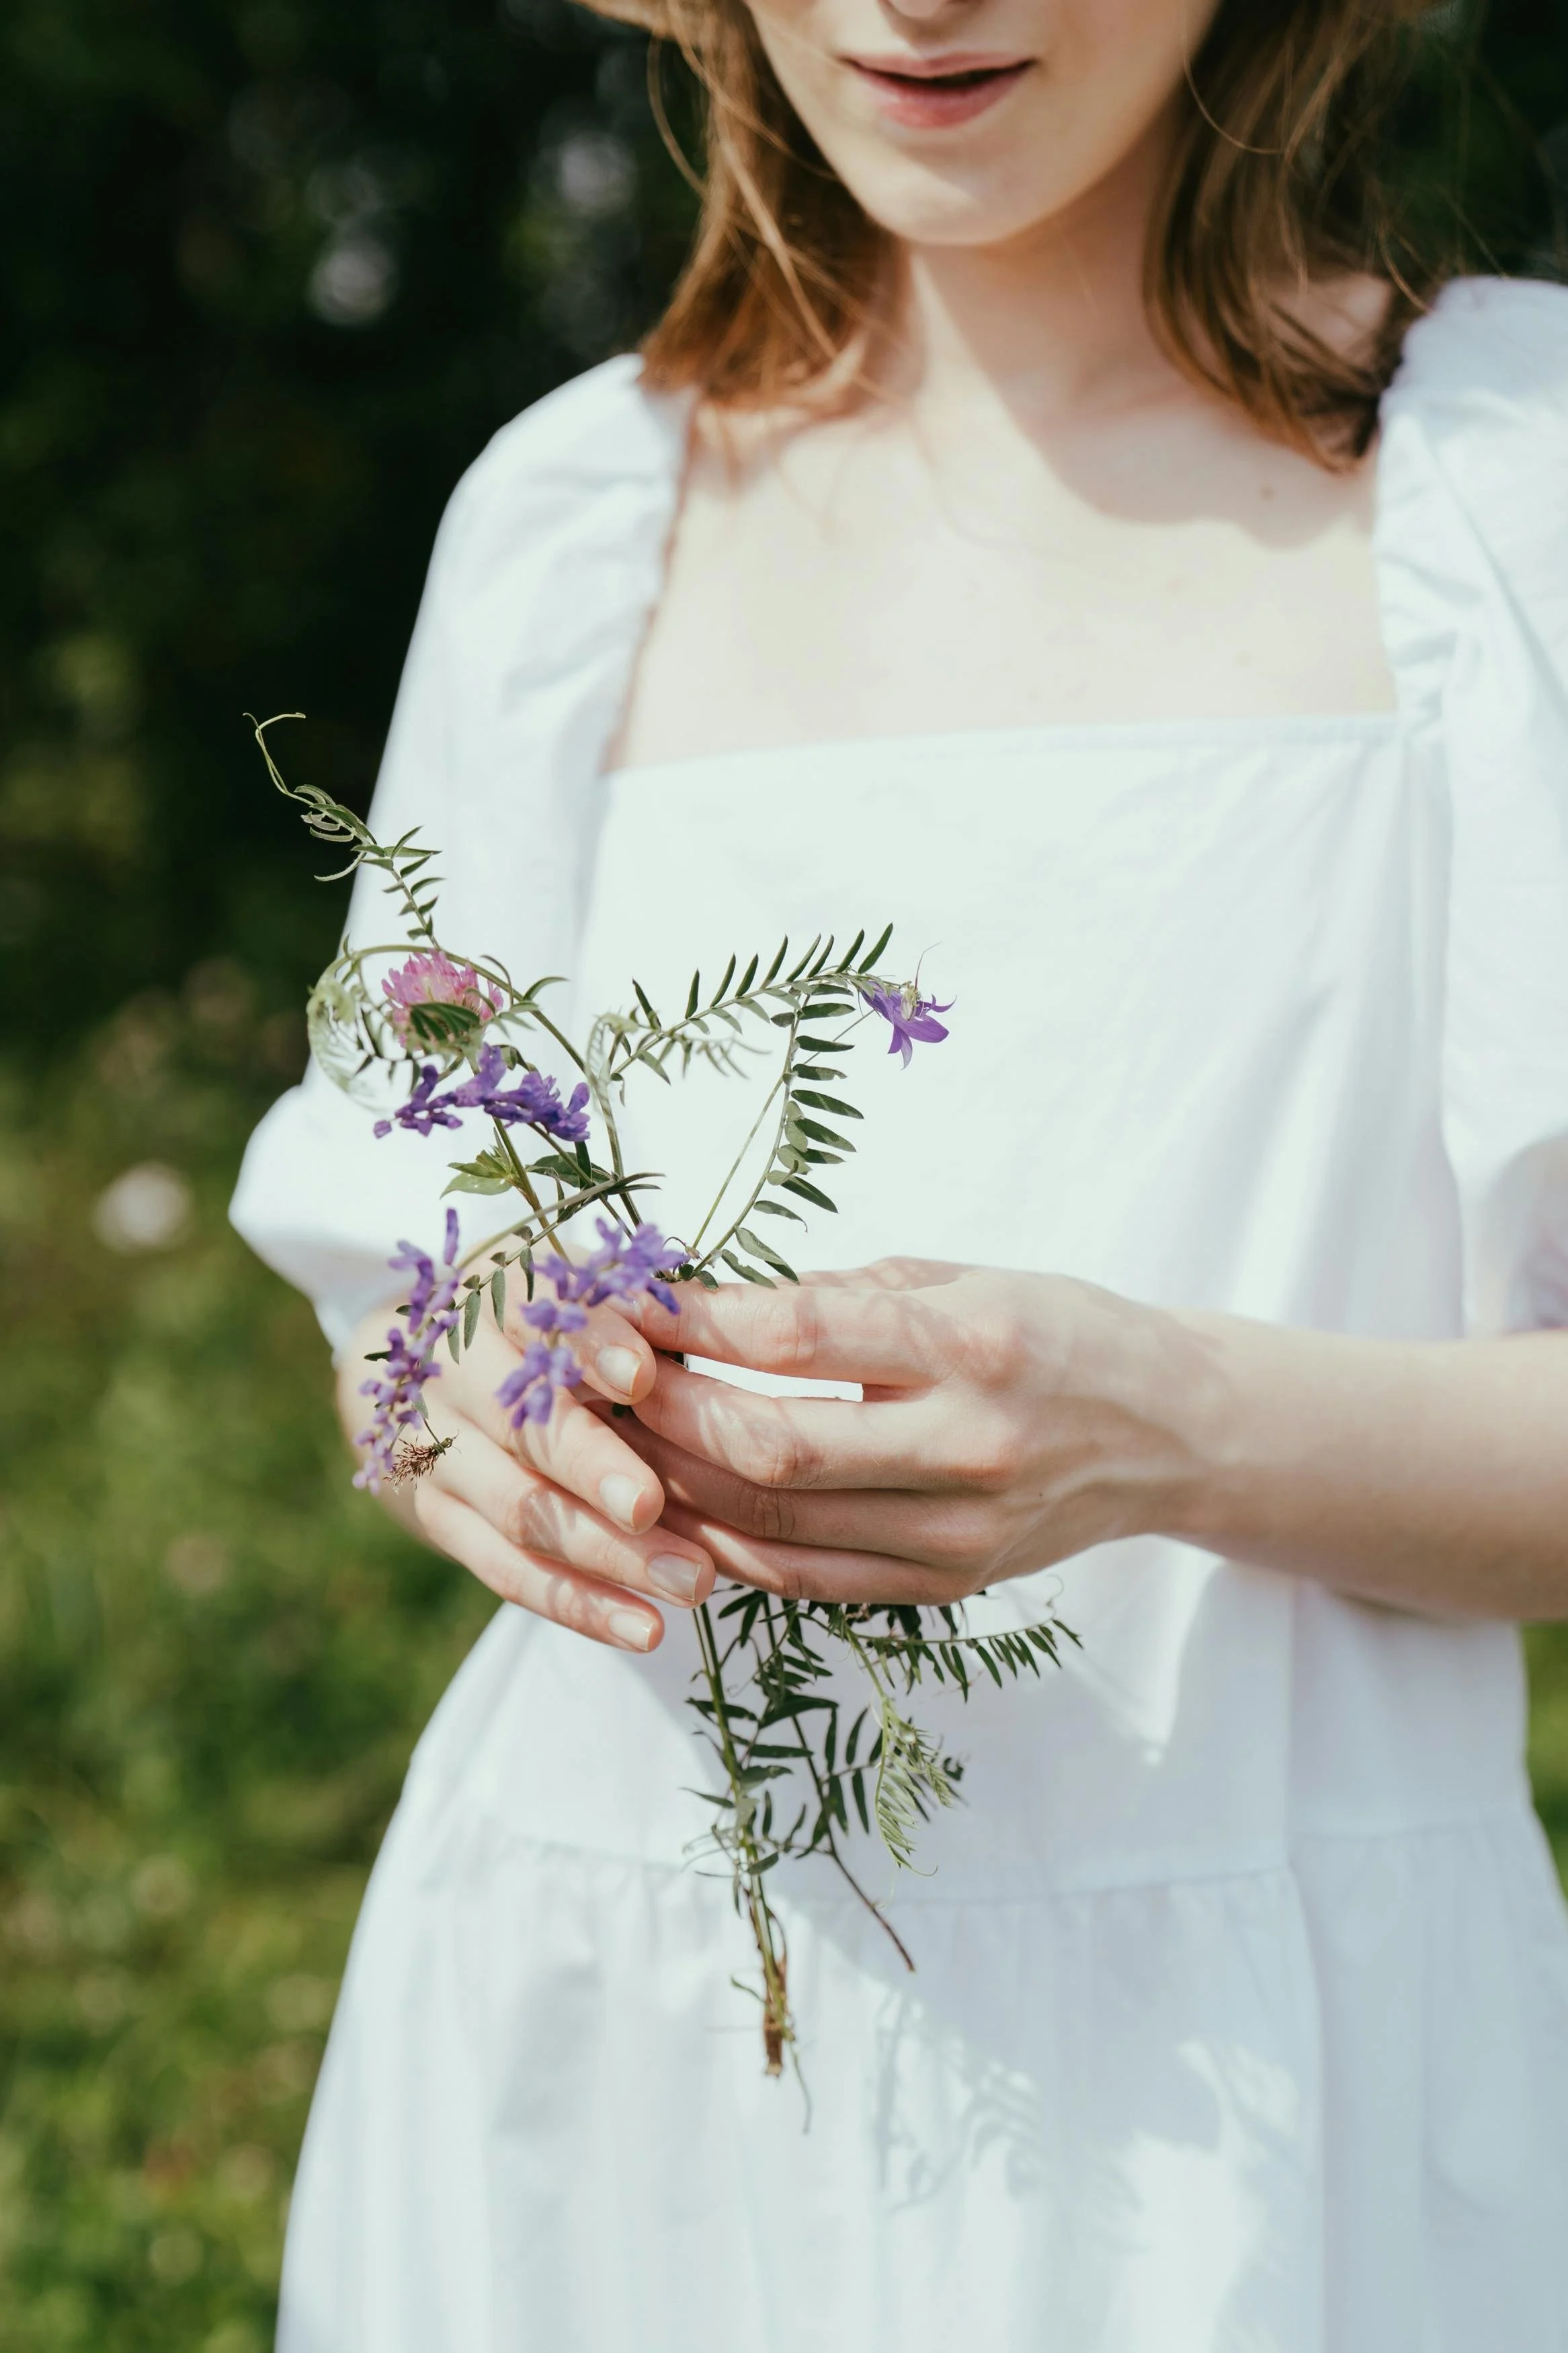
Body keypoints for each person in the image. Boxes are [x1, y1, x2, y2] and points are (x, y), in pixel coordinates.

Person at [231, 0, 1568, 2338]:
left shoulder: (1512, 485)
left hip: (1261, 2125)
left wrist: (1165, 1427)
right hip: (599, 2076)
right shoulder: (569, 515)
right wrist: (464, 1418)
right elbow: (398, 1283)